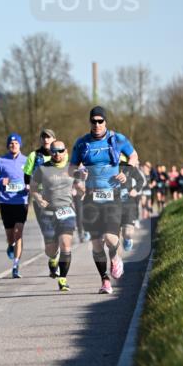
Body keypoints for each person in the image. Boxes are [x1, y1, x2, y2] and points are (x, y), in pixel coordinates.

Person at [69, 106, 138, 295]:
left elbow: (133, 155)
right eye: (94, 121)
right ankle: (105, 281)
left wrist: (126, 171)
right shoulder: (82, 143)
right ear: (90, 122)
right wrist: (78, 173)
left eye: (100, 121)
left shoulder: (117, 139)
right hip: (91, 197)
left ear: (105, 121)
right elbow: (71, 168)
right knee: (96, 243)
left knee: (109, 238)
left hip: (112, 196)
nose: (97, 124)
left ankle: (115, 258)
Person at [30, 139, 77, 292]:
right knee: (50, 249)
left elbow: (81, 184)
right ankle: (53, 258)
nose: (57, 154)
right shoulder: (42, 168)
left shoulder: (72, 167)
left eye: (60, 151)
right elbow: (33, 187)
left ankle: (63, 279)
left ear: (65, 151)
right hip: (48, 213)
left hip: (66, 211)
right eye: (54, 151)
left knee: (66, 245)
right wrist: (38, 199)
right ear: (50, 152)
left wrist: (82, 190)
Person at [0, 133, 28, 278]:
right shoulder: (1, 160)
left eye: (16, 143)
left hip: (21, 201)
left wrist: (30, 186)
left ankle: (16, 266)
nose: (13, 145)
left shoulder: (27, 161)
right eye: (11, 143)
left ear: (20, 145)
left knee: (18, 233)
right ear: (8, 145)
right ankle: (10, 245)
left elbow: (35, 177)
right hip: (5, 202)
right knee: (11, 236)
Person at [24, 127, 61, 276]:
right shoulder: (34, 155)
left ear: (54, 139)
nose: (46, 140)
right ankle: (53, 258)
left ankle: (58, 256)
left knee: (61, 230)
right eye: (43, 137)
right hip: (40, 198)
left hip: (58, 197)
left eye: (49, 137)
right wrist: (29, 187)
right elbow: (27, 175)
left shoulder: (60, 154)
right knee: (48, 234)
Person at [118, 155, 146, 251]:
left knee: (127, 232)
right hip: (113, 204)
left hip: (128, 203)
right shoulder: (107, 167)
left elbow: (140, 180)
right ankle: (116, 258)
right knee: (114, 236)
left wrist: (135, 189)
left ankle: (127, 239)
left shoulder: (128, 167)